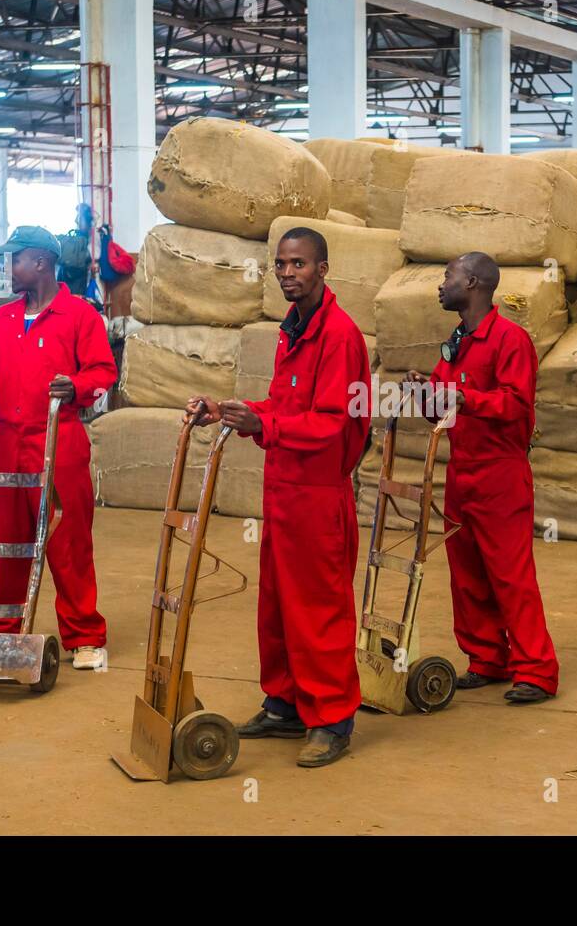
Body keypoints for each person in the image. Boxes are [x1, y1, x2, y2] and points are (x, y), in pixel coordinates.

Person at [189, 227, 370, 768]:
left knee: (319, 609)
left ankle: (332, 718)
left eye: (299, 264)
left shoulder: (338, 335)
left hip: (317, 494)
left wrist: (266, 426)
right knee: (278, 607)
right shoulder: (293, 329)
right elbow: (282, 402)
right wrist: (230, 411)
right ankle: (286, 704)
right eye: (281, 264)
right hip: (285, 491)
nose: (288, 273)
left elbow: (333, 423)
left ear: (323, 269)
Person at [0, 226, 117, 670]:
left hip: (59, 441)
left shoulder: (79, 316)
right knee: (9, 545)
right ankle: (5, 633)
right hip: (8, 443)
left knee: (68, 544)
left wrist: (76, 385)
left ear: (40, 263)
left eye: (14, 259)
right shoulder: (0, 321)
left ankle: (84, 637)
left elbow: (103, 372)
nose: (8, 268)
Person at [404, 252, 559, 704]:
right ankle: (487, 658)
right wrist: (425, 393)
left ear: (472, 283)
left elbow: (515, 405)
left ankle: (537, 670)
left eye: (447, 276)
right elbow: (441, 411)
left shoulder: (510, 340)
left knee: (511, 575)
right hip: (461, 472)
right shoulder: (457, 341)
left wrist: (462, 395)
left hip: (500, 473)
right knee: (466, 572)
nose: (440, 283)